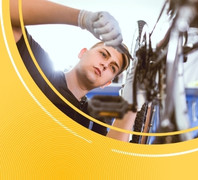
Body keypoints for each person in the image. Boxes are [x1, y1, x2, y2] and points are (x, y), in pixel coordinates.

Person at [10, 0, 131, 135]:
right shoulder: (42, 69)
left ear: (107, 83)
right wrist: (82, 18)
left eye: (113, 68)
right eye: (103, 54)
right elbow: (8, 13)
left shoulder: (95, 118)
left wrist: (131, 105)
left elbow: (110, 155)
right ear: (82, 53)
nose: (105, 65)